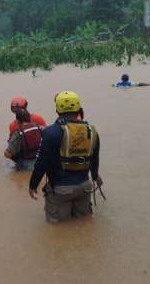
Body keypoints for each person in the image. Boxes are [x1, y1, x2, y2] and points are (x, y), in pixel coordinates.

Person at [29, 91, 102, 223]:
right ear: (79, 109)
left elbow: (41, 163)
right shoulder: (92, 130)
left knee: (57, 232)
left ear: (57, 110)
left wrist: (33, 185)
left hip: (61, 190)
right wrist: (96, 176)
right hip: (85, 187)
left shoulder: (51, 132)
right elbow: (94, 159)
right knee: (84, 226)